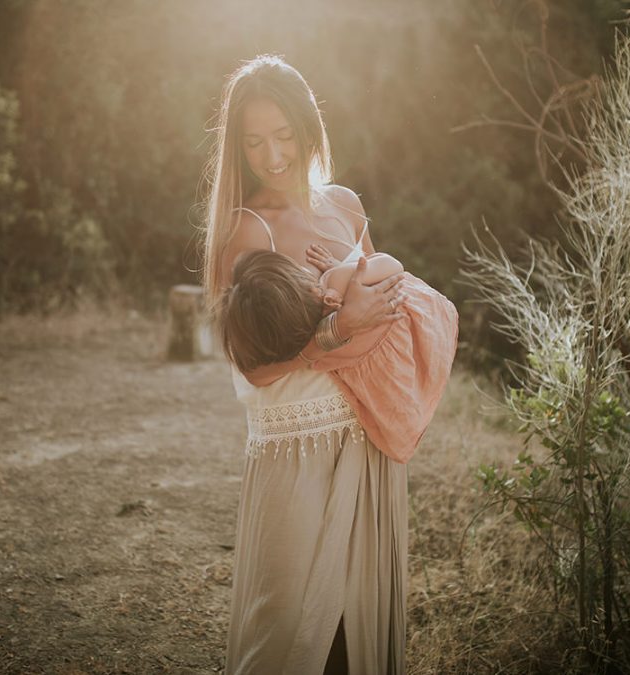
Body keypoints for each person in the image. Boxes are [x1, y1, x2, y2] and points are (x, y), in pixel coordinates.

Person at [201, 54, 409, 674]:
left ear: (308, 127)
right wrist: (335, 328)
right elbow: (254, 369)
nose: (273, 155)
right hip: (297, 449)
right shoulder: (244, 231)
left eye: (285, 135)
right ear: (238, 146)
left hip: (366, 437)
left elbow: (384, 308)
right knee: (287, 626)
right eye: (255, 140)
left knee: (357, 628)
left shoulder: (346, 207)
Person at [218, 248, 458, 464]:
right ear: (305, 282)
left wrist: (347, 273)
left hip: (406, 330)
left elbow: (393, 269)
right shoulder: (334, 282)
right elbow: (393, 263)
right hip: (406, 342)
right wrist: (340, 270)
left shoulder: (310, 345)